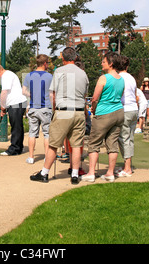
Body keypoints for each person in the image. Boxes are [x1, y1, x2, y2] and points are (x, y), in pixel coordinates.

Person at [30, 47, 89, 184]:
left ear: (63, 58)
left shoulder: (59, 71)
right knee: (76, 145)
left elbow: (53, 94)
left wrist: (54, 110)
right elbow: (85, 95)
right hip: (79, 111)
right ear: (74, 58)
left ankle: (44, 173)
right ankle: (75, 174)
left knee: (54, 144)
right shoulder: (83, 73)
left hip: (64, 110)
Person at [81, 52, 124, 183]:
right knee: (112, 143)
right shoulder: (121, 79)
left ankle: (91, 173)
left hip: (104, 113)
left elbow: (95, 97)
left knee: (94, 143)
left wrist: (93, 107)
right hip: (118, 112)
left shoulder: (104, 78)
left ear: (110, 64)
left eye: (104, 61)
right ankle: (110, 173)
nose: (101, 63)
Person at [22, 54, 53, 164]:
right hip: (45, 107)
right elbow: (51, 93)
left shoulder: (29, 76)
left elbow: (23, 91)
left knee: (32, 133)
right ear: (45, 63)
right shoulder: (49, 76)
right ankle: (47, 157)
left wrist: (31, 94)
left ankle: (31, 157)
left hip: (33, 107)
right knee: (47, 134)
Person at [0, 64, 27, 156]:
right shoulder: (9, 75)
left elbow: (4, 92)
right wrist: (5, 108)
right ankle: (18, 148)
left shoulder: (6, 76)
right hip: (18, 103)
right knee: (18, 126)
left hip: (16, 103)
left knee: (16, 126)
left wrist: (2, 106)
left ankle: (14, 149)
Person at [115, 55, 137, 177]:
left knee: (124, 138)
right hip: (134, 108)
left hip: (125, 108)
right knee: (130, 138)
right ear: (127, 66)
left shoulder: (119, 78)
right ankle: (127, 165)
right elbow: (135, 94)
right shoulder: (132, 78)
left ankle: (127, 168)